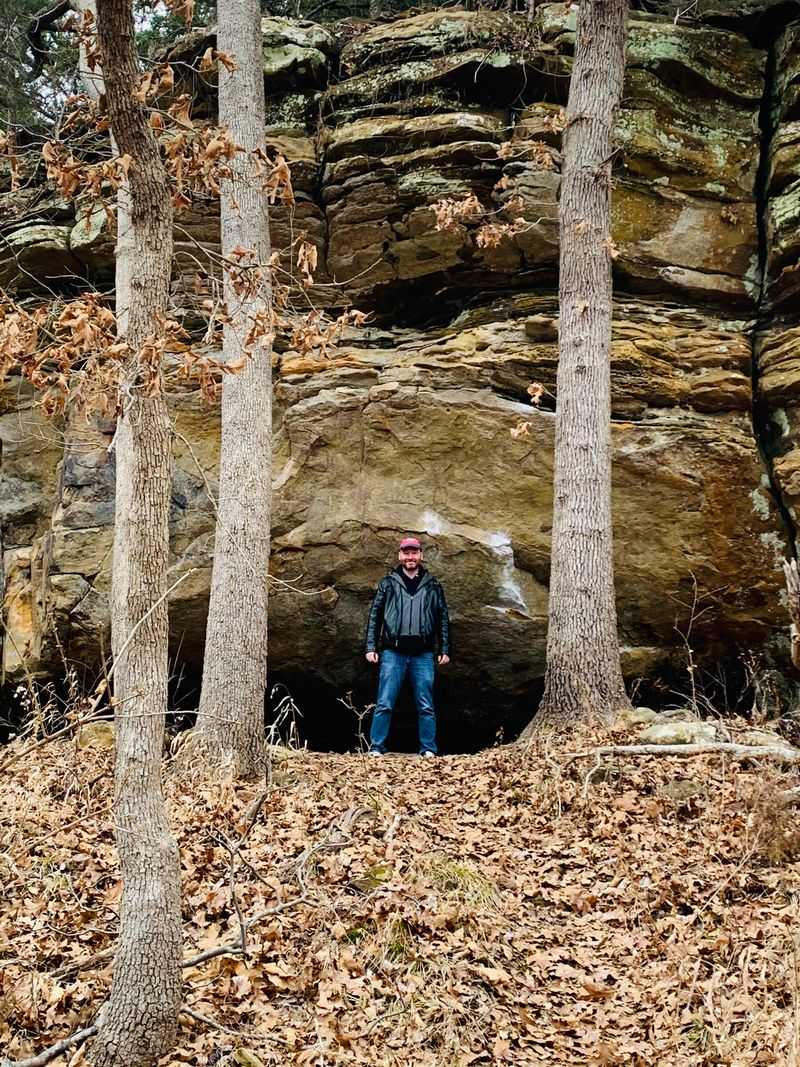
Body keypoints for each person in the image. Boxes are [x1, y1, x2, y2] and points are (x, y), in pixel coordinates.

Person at [364, 536, 450, 756]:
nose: (410, 557)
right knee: (384, 702)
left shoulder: (433, 585)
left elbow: (443, 618)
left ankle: (428, 749)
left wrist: (445, 649)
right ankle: (376, 748)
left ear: (420, 555)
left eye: (414, 553)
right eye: (406, 553)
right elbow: (375, 616)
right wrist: (371, 647)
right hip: (393, 652)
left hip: (423, 654)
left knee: (426, 705)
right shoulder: (388, 583)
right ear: (400, 555)